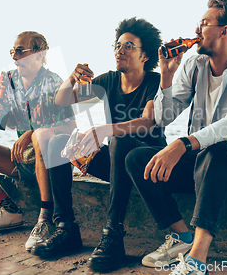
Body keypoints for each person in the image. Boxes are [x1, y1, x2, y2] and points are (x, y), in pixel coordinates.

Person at [125, 0, 227, 275]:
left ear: (225, 31)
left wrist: (182, 143)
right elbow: (162, 117)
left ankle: (197, 259)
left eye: (204, 23)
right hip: (199, 164)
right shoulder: (195, 64)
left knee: (218, 150)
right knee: (137, 158)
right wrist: (166, 77)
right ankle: (181, 236)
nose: (197, 28)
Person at [31, 17, 166, 271]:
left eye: (128, 46)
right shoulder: (109, 80)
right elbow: (61, 101)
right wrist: (72, 78)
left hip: (148, 164)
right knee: (57, 143)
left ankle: (113, 235)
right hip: (116, 162)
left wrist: (103, 130)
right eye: (118, 45)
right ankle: (66, 228)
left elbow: (148, 122)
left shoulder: (154, 82)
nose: (120, 50)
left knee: (118, 140)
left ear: (145, 54)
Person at [0, 31, 75, 249]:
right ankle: (8, 209)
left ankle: (45, 219)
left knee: (39, 136)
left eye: (20, 51)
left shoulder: (53, 82)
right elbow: (7, 123)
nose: (14, 56)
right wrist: (0, 110)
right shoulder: (8, 79)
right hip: (23, 162)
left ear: (39, 54)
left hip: (49, 164)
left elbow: (71, 127)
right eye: (13, 51)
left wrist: (32, 132)